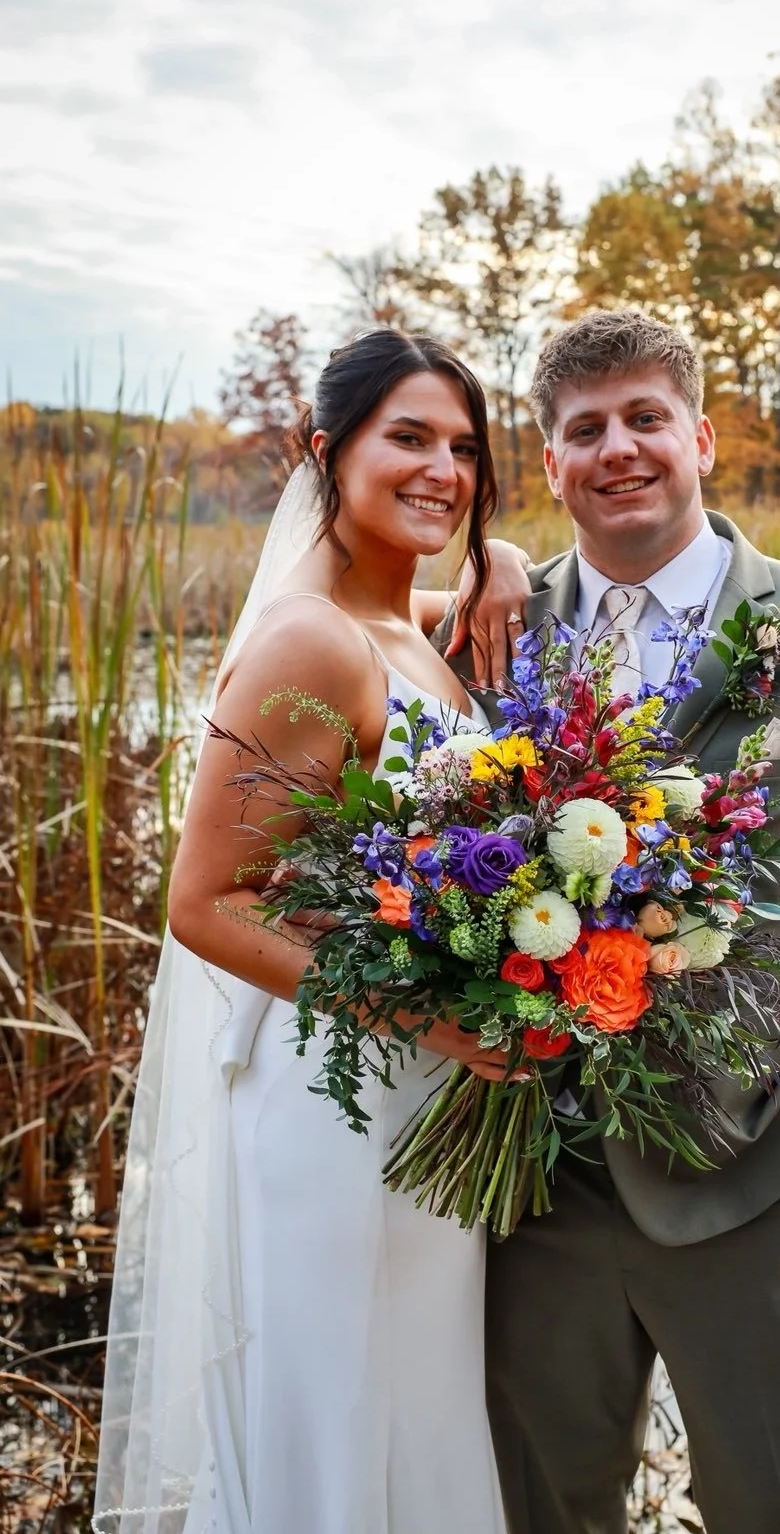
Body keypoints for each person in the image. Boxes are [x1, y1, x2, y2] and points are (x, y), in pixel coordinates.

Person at [437, 308, 780, 1534]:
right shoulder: (490, 635)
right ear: (551, 463)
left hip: (760, 1174)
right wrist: (489, 560)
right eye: (584, 430)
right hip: (536, 1182)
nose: (620, 449)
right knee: (543, 1510)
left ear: (702, 438)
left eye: (645, 419)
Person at [94, 329, 529, 1534]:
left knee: (414, 1405)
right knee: (336, 1417)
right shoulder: (306, 638)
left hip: (423, 1092)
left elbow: (456, 599)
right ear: (324, 451)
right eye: (410, 438)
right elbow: (205, 906)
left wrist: (514, 565)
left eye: (466, 448)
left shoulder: (405, 628)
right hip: (333, 1095)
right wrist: (426, 1016)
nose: (445, 468)